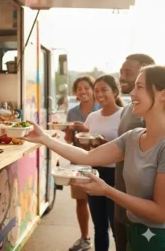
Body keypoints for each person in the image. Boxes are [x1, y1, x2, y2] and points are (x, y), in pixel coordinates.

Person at [24, 65, 165, 251]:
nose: (131, 93)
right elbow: (88, 156)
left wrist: (107, 190)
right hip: (135, 234)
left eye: (139, 87)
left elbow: (160, 213)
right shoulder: (133, 137)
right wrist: (44, 138)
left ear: (163, 95)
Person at [76, 75, 124, 251]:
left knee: (116, 226)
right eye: (96, 90)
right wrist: (87, 143)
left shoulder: (124, 115)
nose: (99, 94)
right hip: (94, 172)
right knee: (99, 226)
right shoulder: (93, 117)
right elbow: (87, 142)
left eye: (104, 89)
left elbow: (127, 149)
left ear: (115, 91)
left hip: (115, 175)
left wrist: (104, 144)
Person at [115, 54, 155, 250]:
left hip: (146, 212)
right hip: (122, 197)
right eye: (121, 71)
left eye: (128, 73)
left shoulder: (149, 115)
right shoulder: (128, 110)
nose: (122, 77)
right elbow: (122, 147)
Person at [65, 76, 100, 251]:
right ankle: (85, 238)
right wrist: (68, 132)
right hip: (78, 161)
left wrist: (86, 130)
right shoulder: (72, 113)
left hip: (101, 161)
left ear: (93, 90)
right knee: (81, 201)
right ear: (75, 93)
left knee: (102, 201)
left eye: (87, 87)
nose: (83, 91)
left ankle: (103, 236)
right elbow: (69, 140)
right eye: (79, 88)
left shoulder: (101, 109)